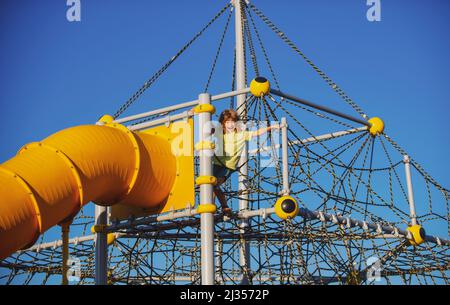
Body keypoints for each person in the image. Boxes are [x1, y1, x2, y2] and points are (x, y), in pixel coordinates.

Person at [212, 109, 281, 215]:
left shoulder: (241, 134)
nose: (230, 125)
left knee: (215, 182)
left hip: (228, 166)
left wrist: (270, 128)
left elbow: (256, 133)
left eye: (232, 122)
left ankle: (223, 206)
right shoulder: (220, 133)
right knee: (209, 185)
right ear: (223, 123)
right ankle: (220, 206)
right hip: (216, 162)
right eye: (227, 122)